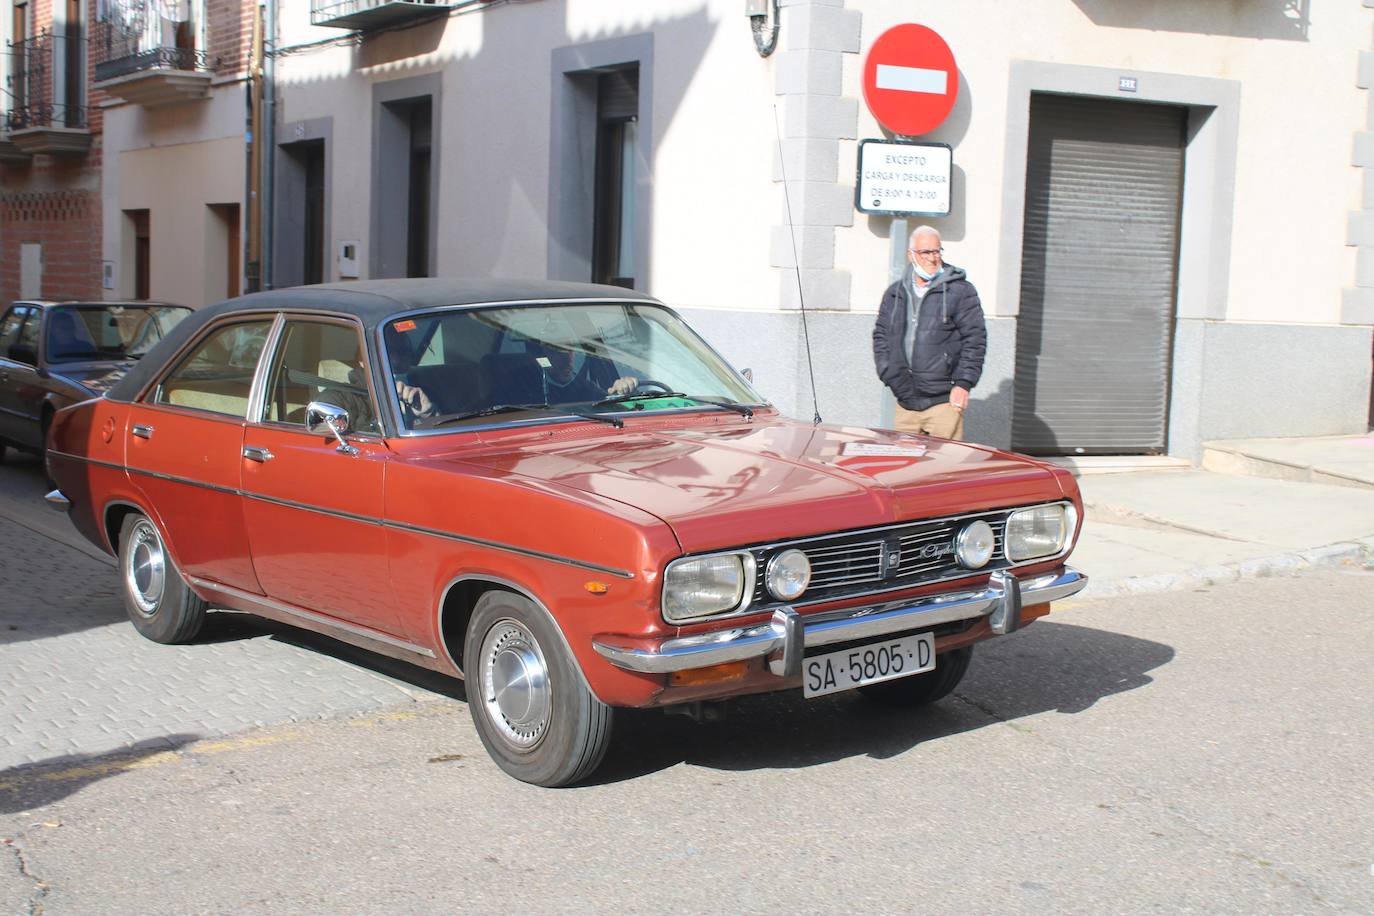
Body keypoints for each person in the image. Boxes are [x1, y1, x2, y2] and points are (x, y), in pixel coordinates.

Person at [872, 226, 987, 440]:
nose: (933, 258)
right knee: (905, 470)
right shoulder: (895, 293)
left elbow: (975, 340)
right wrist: (887, 371)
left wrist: (963, 384)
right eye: (926, 252)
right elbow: (881, 336)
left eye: (937, 251)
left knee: (944, 469)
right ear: (911, 255)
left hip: (944, 402)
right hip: (906, 401)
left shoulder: (960, 291)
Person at [541, 347, 639, 403]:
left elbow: (608, 402)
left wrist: (621, 390)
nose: (568, 359)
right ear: (547, 353)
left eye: (571, 351)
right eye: (560, 353)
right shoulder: (531, 384)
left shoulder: (585, 387)